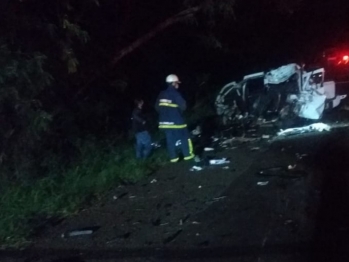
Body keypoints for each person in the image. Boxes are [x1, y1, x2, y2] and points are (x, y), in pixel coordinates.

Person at [155, 74, 195, 163]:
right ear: (174, 83)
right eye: (177, 83)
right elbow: (183, 106)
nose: (178, 85)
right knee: (185, 137)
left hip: (165, 123)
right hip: (176, 121)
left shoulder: (161, 94)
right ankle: (188, 155)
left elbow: (157, 107)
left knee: (170, 140)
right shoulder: (175, 93)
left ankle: (174, 158)